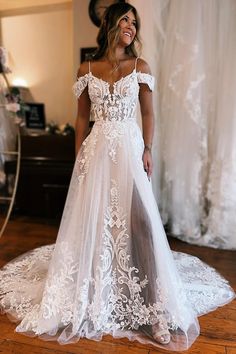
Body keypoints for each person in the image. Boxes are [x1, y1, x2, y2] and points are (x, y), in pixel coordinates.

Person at [0, 3, 235, 352]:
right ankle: (96, 293)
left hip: (128, 148)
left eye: (134, 22)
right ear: (110, 23)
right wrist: (79, 153)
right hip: (97, 152)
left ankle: (155, 310)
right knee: (97, 223)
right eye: (125, 19)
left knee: (140, 224)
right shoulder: (86, 68)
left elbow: (149, 112)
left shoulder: (140, 66)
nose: (131, 26)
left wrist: (148, 149)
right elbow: (82, 118)